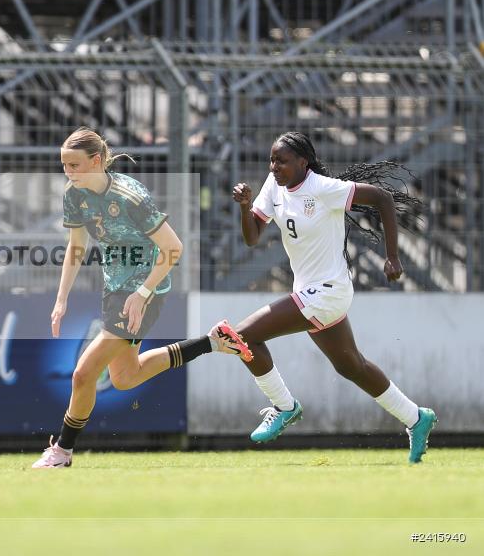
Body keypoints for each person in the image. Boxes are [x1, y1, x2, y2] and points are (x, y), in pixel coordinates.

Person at [32, 127, 252, 468]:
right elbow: (77, 246)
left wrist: (142, 293)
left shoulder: (130, 197)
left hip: (146, 290)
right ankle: (212, 342)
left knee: (83, 374)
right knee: (125, 377)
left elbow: (173, 248)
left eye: (75, 165)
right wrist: (61, 299)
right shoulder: (74, 194)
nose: (69, 172)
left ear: (97, 160)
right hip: (115, 288)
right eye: (64, 165)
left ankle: (62, 450)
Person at [230, 131, 436, 463]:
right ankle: (416, 417)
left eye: (281, 161)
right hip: (312, 294)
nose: (274, 166)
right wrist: (244, 208)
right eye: (271, 160)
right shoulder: (274, 186)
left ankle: (285, 407)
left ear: (303, 162)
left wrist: (393, 256)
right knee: (351, 366)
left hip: (327, 293)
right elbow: (253, 237)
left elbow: (383, 198)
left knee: (242, 337)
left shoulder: (323, 189)